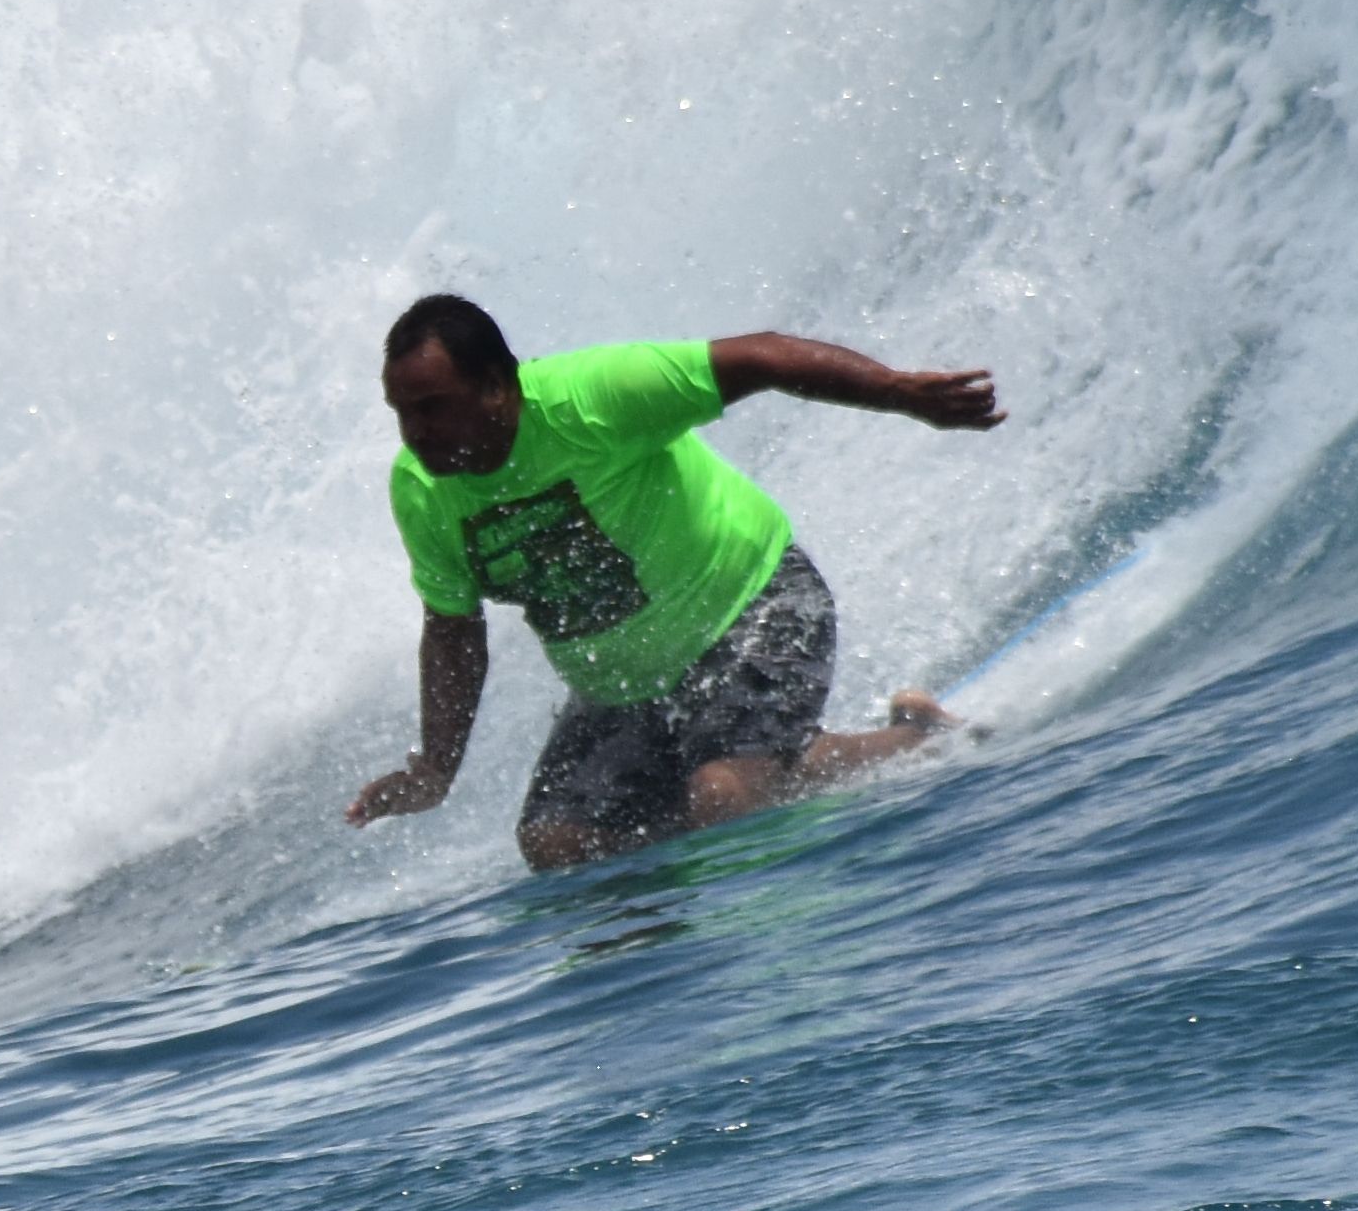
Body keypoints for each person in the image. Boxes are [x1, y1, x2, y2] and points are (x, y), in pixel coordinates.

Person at [340, 291, 1004, 871]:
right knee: (557, 845)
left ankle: (919, 740)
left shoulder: (592, 398)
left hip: (753, 607)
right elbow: (454, 630)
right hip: (623, 685)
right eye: (403, 412)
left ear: (495, 386)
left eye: (433, 407)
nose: (417, 433)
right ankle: (764, 781)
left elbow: (764, 357)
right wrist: (434, 769)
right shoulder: (422, 489)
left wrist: (902, 392)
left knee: (723, 798)